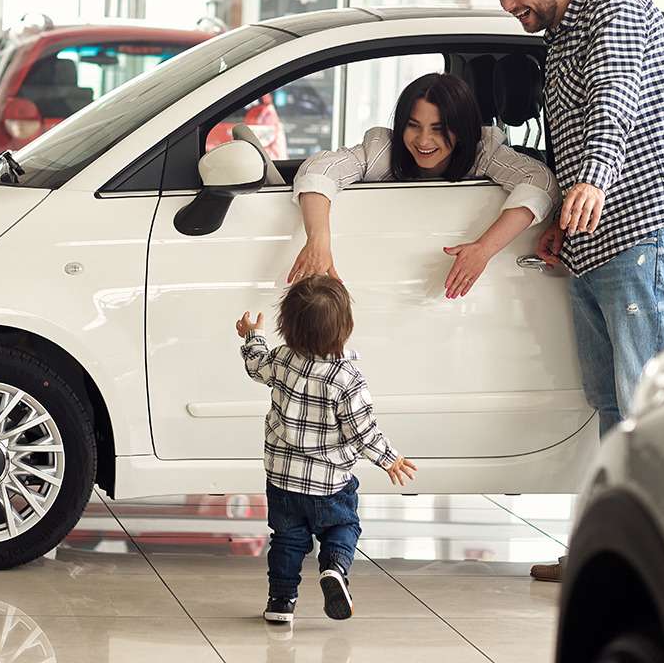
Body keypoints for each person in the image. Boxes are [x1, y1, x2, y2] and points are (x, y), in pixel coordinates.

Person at [484, 0, 664, 581]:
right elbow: (573, 128)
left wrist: (592, 178)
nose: (510, 5)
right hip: (597, 241)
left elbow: (613, 99)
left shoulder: (613, 6)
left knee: (648, 407)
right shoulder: (560, 37)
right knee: (615, 408)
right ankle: (609, 552)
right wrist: (567, 215)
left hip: (644, 229)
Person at [236, 275, 418, 625]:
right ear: (345, 327)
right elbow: (362, 430)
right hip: (329, 484)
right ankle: (334, 566)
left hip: (283, 480)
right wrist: (389, 458)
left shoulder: (283, 359)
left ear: (287, 326)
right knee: (343, 525)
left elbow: (256, 365)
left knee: (287, 541)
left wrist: (252, 335)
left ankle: (280, 602)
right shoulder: (347, 379)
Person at [289, 73, 560, 296]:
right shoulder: (382, 151)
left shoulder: (484, 153)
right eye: (414, 126)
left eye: (438, 129)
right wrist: (318, 239)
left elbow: (541, 180)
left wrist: (484, 248)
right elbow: (320, 169)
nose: (423, 140)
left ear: (462, 129)